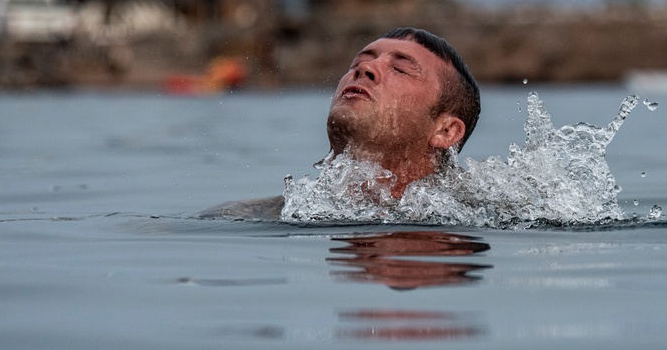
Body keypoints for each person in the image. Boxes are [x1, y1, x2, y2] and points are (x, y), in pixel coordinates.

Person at [201, 27, 481, 219]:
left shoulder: (482, 214)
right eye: (357, 63)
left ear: (446, 130)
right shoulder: (249, 214)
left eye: (400, 69)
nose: (364, 69)